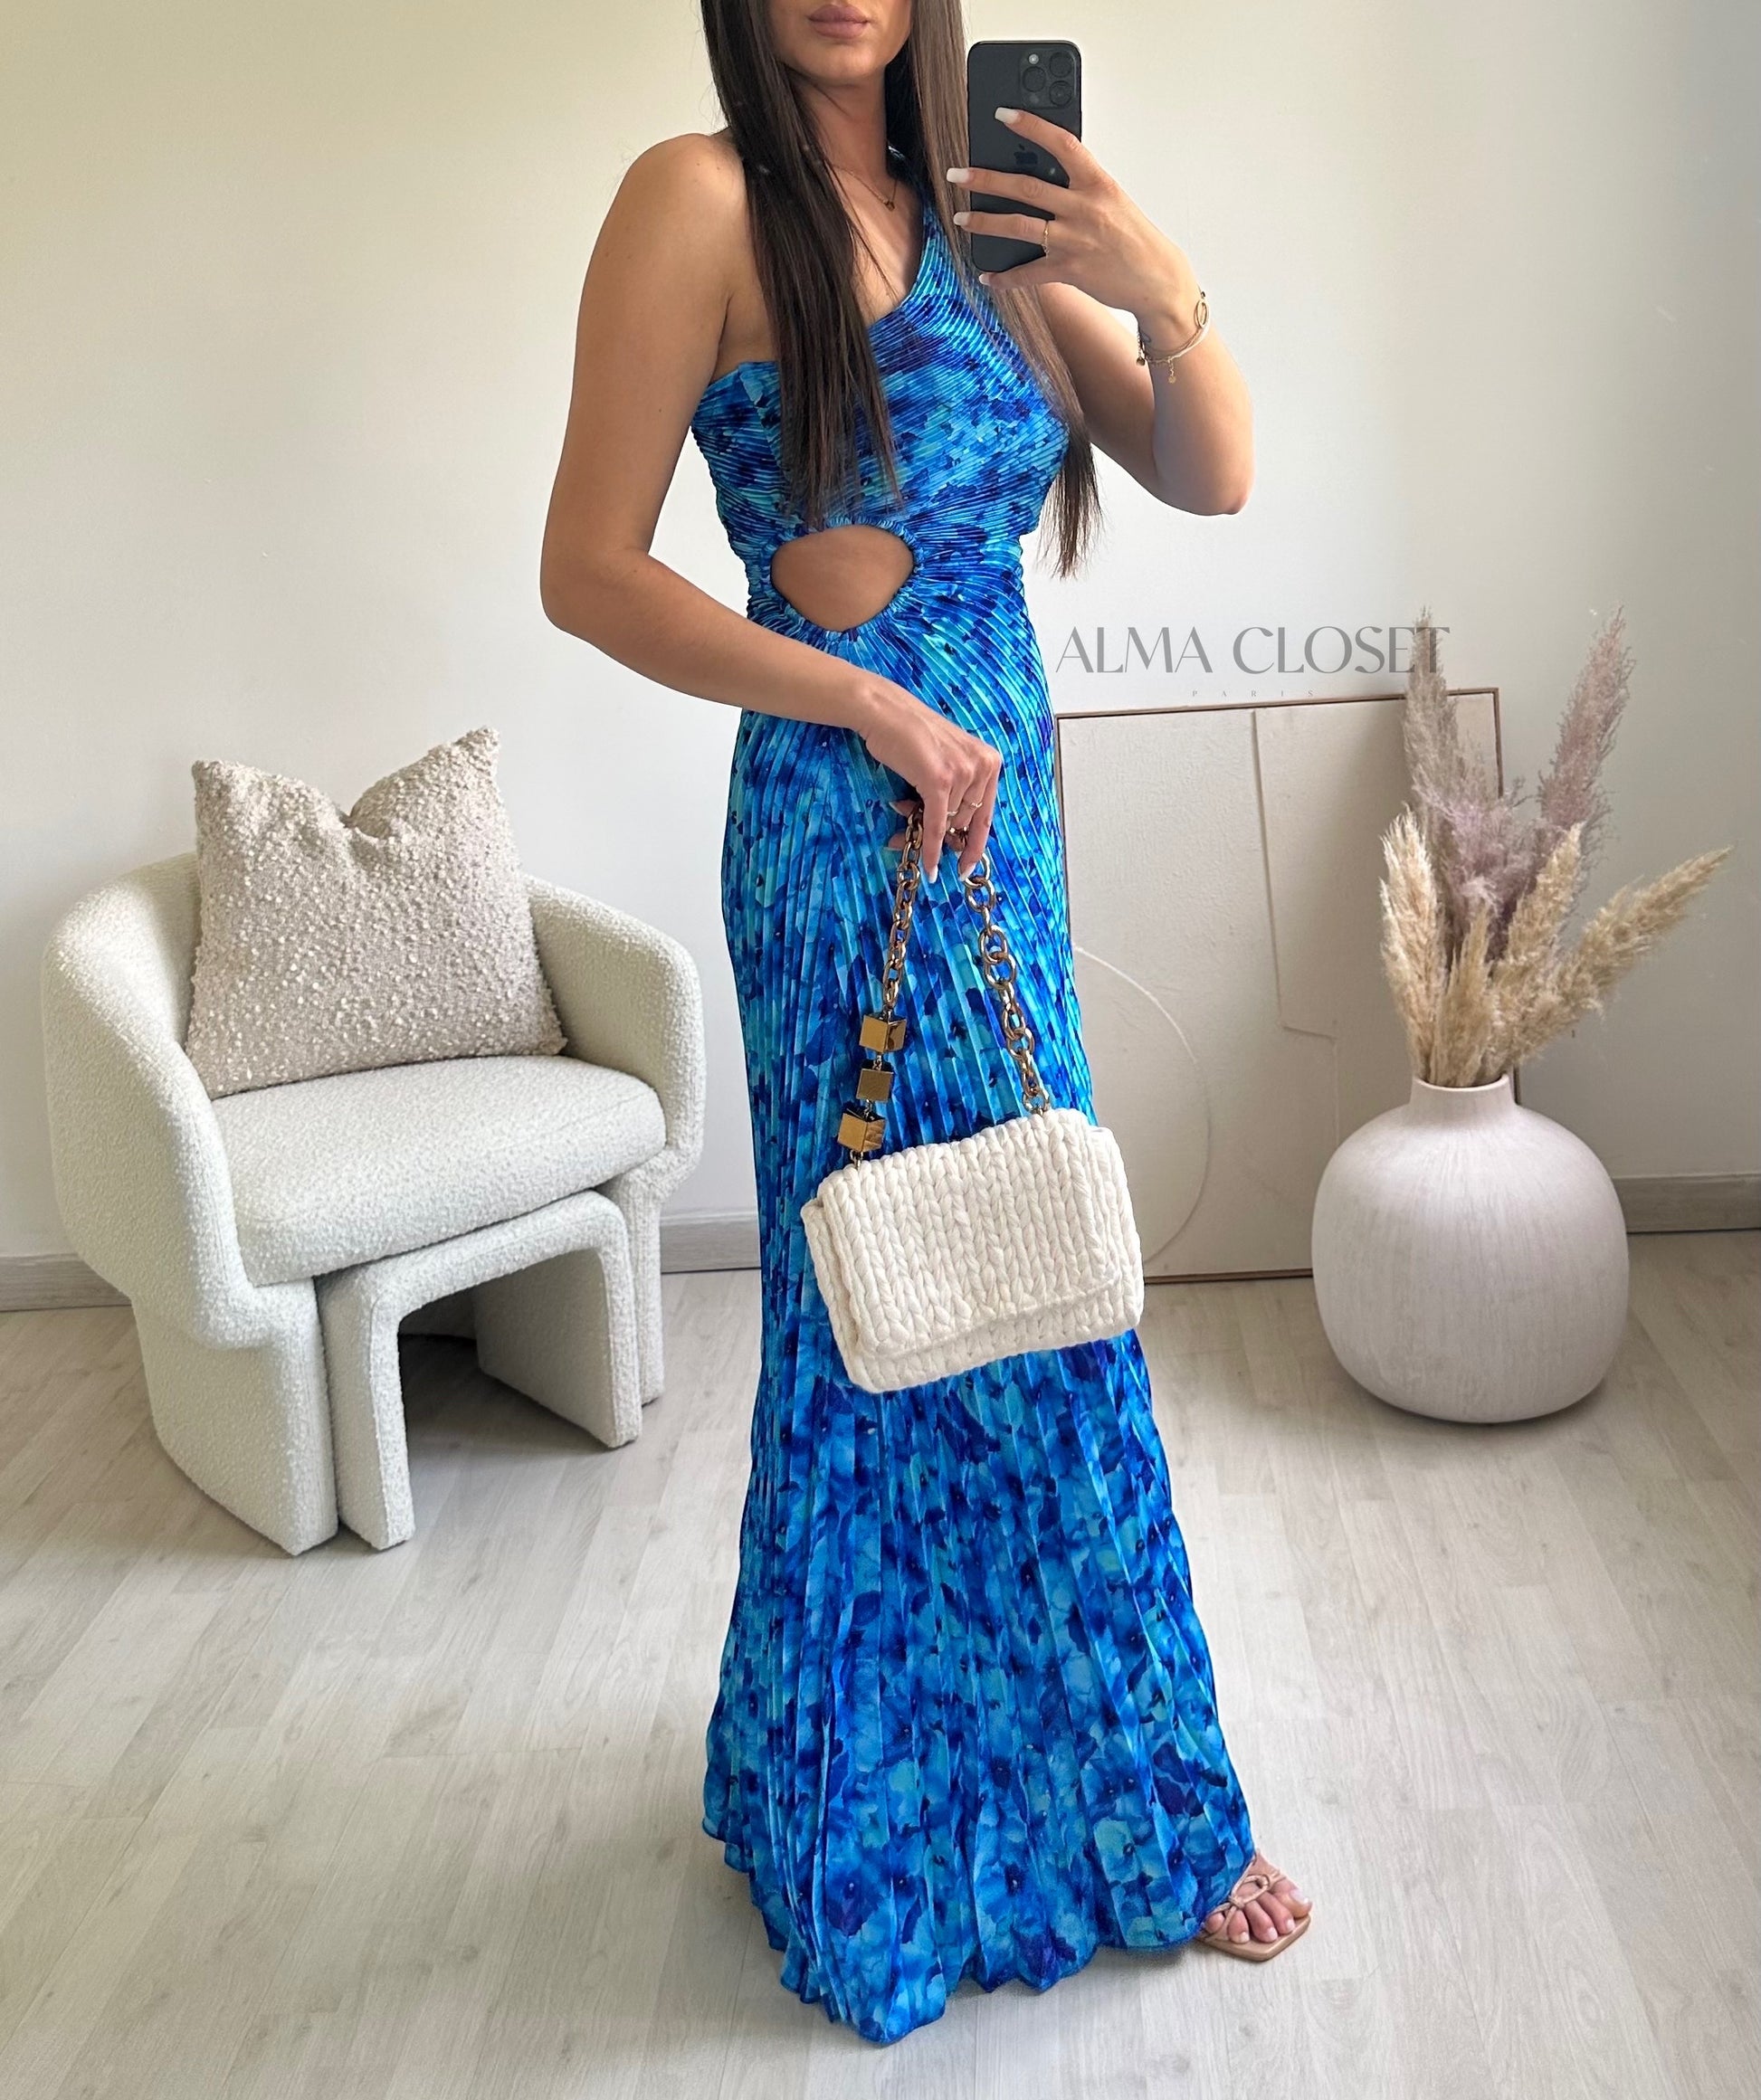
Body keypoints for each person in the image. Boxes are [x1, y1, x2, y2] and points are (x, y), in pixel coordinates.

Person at [540, 0, 1312, 2046]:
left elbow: (1214, 472)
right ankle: (898, 1823)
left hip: (1004, 815)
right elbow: (586, 572)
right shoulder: (696, 202)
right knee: (888, 1300)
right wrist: (866, 701)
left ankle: (1084, 1797)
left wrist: (1150, 276)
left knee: (1031, 1273)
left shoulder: (985, 218)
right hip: (841, 811)